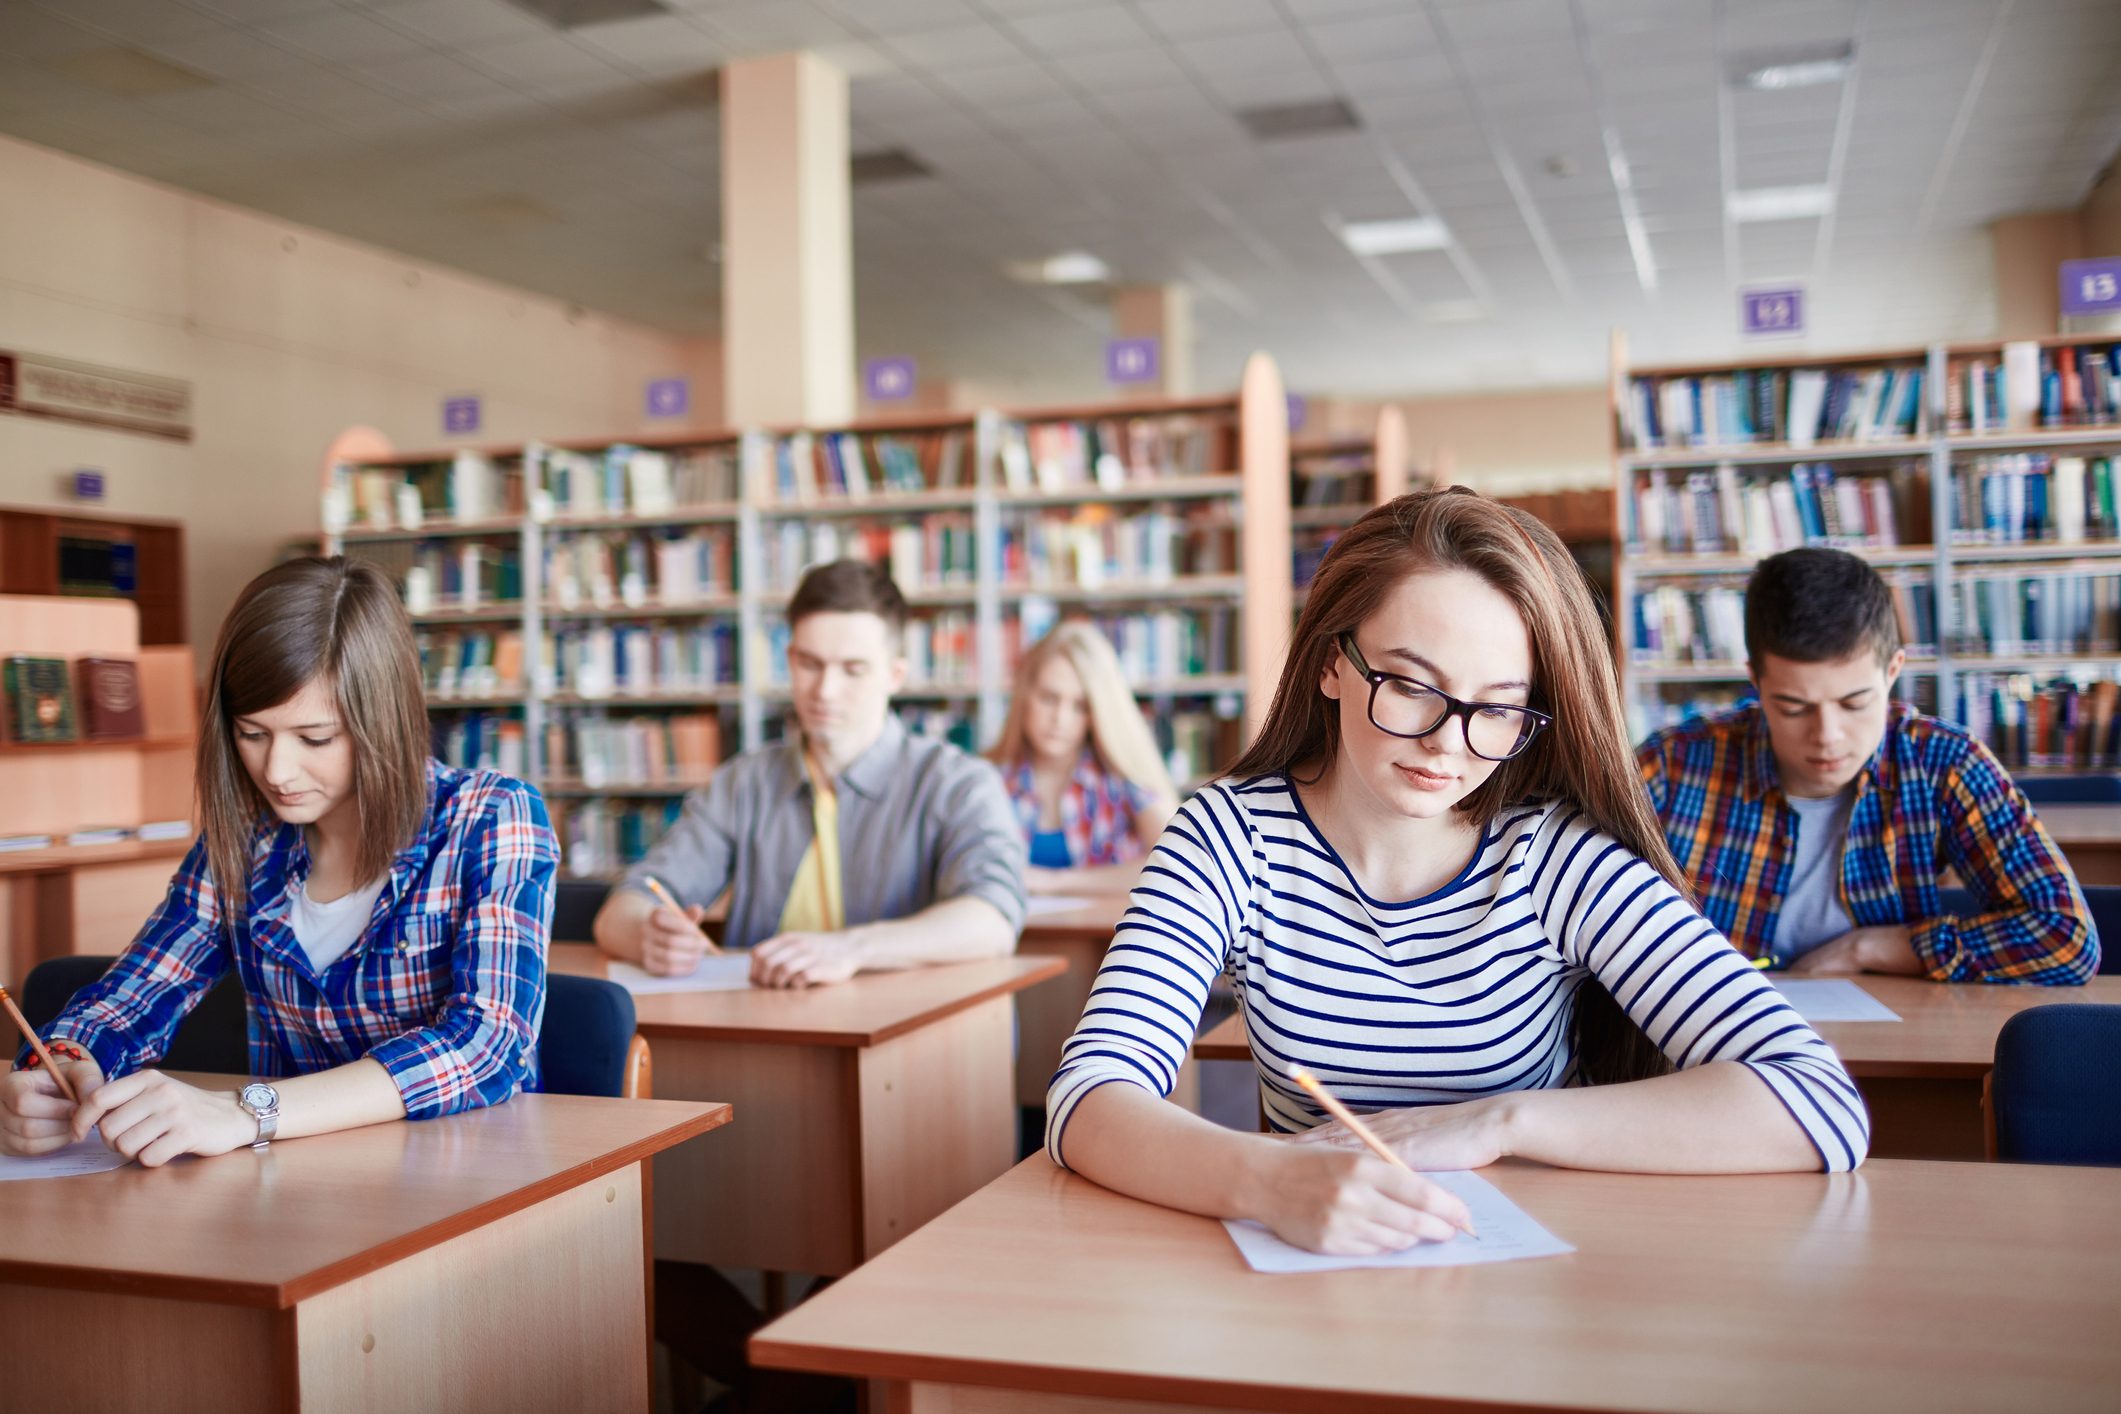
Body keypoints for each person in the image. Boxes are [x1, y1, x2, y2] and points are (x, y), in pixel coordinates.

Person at [1046, 489, 1868, 1257]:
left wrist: (1496, 1123)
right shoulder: (1228, 837)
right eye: (1410, 685)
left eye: (1498, 706)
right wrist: (1266, 1180)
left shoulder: (1556, 860)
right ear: (1332, 664)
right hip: (1307, 1269)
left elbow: (1817, 1104)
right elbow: (1090, 1095)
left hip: (1517, 1277)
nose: (1448, 741)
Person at [595, 558, 1023, 1414]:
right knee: (614, 1231)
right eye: (805, 662)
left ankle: (803, 1381)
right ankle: (798, 1381)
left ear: (897, 674)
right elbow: (623, 903)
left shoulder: (954, 782)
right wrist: (654, 930)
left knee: (879, 1246)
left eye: (852, 667)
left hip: (898, 1086)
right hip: (742, 1077)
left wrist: (854, 948)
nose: (823, 689)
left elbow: (993, 916)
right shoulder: (744, 781)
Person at [0, 557, 555, 1166]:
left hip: (467, 1179)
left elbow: (488, 1044)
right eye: (252, 733)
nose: (276, 772)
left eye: (314, 738)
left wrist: (246, 1112)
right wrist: (65, 1063)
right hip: (289, 1185)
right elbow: (140, 991)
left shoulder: (492, 816)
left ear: (384, 719)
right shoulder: (246, 837)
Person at [1638, 547, 2096, 982]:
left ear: (1892, 671)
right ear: (1755, 681)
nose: (1827, 735)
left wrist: (1867, 948)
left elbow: (2066, 938)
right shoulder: (1672, 764)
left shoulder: (1943, 763)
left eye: (1855, 703)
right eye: (1794, 708)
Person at [987, 620, 1179, 892]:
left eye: (1080, 706)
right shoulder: (989, 780)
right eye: (1049, 698)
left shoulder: (1123, 779)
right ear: (1024, 696)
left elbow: (1177, 864)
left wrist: (1054, 882)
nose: (1060, 719)